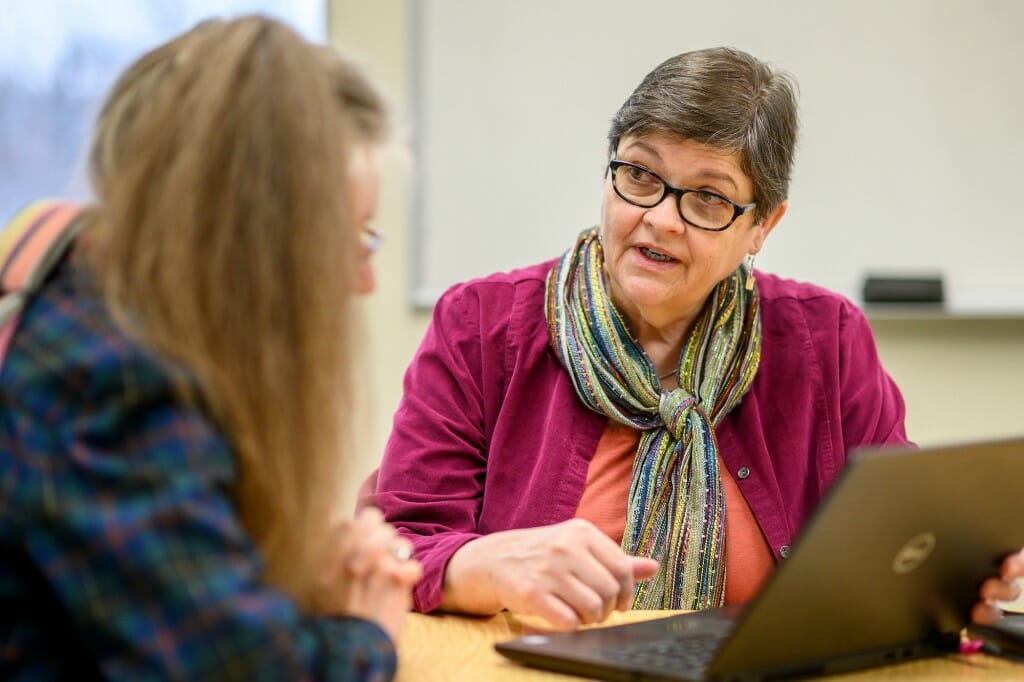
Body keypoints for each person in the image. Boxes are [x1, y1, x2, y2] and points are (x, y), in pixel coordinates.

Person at [364, 46, 1023, 630]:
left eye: (707, 198)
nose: (659, 219)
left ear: (762, 225)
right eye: (641, 176)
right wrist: (485, 563)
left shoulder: (826, 340)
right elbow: (398, 546)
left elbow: (898, 541)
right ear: (609, 169)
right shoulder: (480, 326)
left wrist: (953, 578)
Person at [0, 15, 421, 680]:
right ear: (249, 237)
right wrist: (365, 629)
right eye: (349, 238)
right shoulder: (109, 377)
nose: (362, 280)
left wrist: (288, 580)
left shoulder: (88, 302)